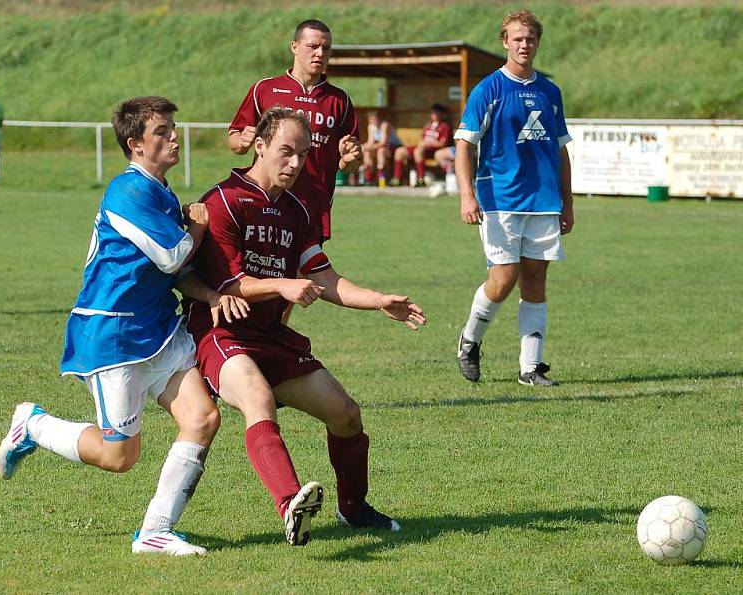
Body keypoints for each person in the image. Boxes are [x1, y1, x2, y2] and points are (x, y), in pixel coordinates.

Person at [0, 96, 249, 556]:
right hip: (113, 335)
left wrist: (212, 294)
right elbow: (174, 254)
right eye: (162, 131)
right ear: (135, 144)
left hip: (158, 328)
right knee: (119, 456)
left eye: (174, 127)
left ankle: (155, 531)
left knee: (202, 417)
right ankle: (32, 425)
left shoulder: (162, 193)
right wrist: (198, 225)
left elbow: (176, 273)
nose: (174, 137)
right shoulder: (128, 192)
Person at [180, 108, 426, 547]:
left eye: (303, 155)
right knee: (257, 399)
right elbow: (230, 284)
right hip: (222, 334)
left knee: (346, 414)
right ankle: (291, 505)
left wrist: (377, 301)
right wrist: (285, 285)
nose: (295, 164)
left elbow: (324, 278)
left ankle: (353, 508)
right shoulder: (224, 201)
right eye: (286, 152)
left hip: (272, 337)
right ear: (260, 146)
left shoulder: (297, 210)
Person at [453, 9, 574, 387]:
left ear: (538, 42)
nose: (524, 45)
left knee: (536, 281)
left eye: (531, 39)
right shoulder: (488, 89)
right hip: (499, 199)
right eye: (517, 39)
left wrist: (567, 202)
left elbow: (561, 150)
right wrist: (467, 195)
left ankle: (531, 368)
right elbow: (464, 145)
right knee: (503, 279)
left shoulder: (549, 92)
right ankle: (469, 340)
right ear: (505, 41)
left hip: (543, 202)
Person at [228, 18, 362, 243]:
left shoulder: (340, 100)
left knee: (304, 275)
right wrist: (241, 142)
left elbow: (348, 164)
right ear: (294, 47)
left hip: (313, 204)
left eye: (326, 48)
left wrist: (350, 159)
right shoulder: (264, 89)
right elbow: (234, 139)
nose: (320, 53)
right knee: (264, 269)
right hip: (266, 200)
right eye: (312, 47)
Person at [390, 103, 452, 187]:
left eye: (437, 113)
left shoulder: (445, 126)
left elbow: (443, 143)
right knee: (399, 151)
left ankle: (421, 179)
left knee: (418, 151)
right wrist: (423, 143)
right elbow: (422, 140)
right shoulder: (428, 125)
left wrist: (429, 143)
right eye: (433, 113)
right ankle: (397, 179)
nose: (434, 115)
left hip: (433, 151)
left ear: (442, 114)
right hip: (422, 149)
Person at [361, 110, 402, 186]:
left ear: (379, 118)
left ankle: (381, 178)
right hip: (383, 146)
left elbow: (383, 142)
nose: (374, 121)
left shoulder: (385, 125)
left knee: (381, 151)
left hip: (394, 146)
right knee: (366, 152)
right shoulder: (371, 126)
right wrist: (362, 147)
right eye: (372, 119)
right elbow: (371, 142)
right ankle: (369, 177)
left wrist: (369, 147)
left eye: (375, 119)